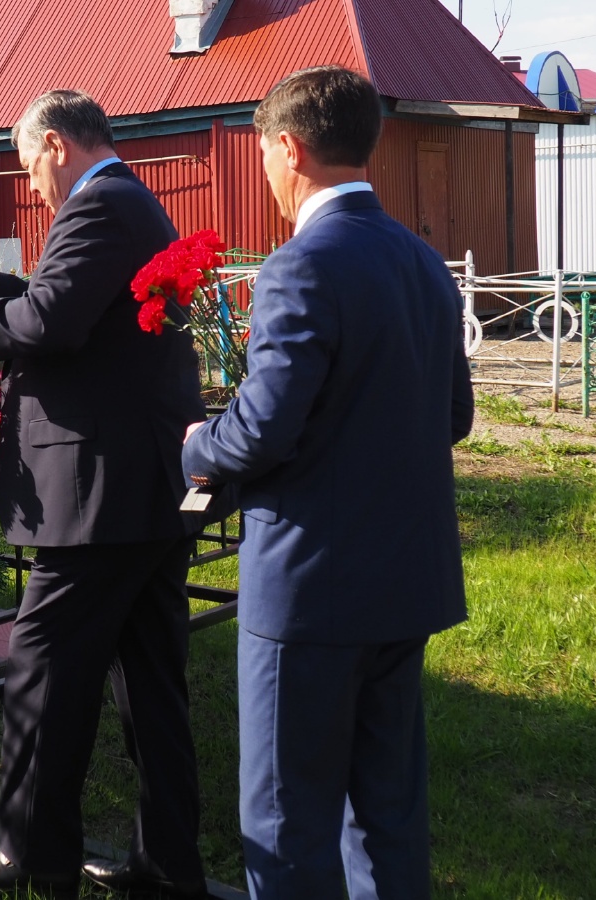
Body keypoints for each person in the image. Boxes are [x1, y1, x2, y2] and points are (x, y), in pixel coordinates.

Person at [179, 66, 474, 899]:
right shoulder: (423, 262)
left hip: (310, 588)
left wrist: (200, 444)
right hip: (406, 578)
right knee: (387, 814)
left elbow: (264, 427)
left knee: (287, 823)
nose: (267, 177)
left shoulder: (301, 264)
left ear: (289, 147)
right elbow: (452, 416)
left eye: (262, 158)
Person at [0, 89, 208, 899]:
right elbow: (80, 304)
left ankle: (32, 858)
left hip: (98, 495)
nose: (32, 187)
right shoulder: (128, 201)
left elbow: (52, 323)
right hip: (141, 486)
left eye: (29, 168)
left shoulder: (99, 205)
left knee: (43, 673)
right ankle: (167, 866)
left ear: (55, 145)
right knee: (150, 684)